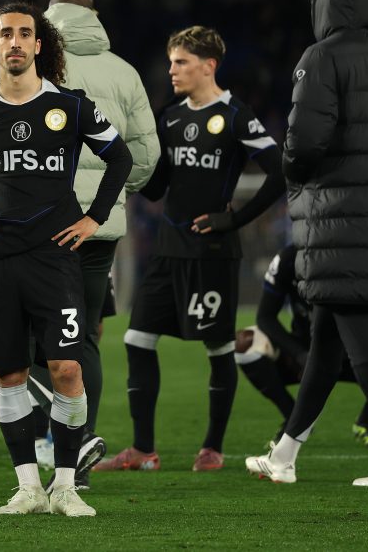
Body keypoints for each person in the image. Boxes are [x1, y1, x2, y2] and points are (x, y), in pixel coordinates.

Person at [0, 2, 132, 517]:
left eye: (24, 34)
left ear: (40, 45)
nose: (15, 42)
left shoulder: (71, 106)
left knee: (65, 370)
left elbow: (119, 156)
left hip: (54, 258)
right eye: (5, 35)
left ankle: (64, 487)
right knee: (9, 374)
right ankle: (28, 488)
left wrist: (93, 217)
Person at [245, 0, 368, 487]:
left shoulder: (320, 58)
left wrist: (291, 170)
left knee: (359, 339)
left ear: (324, 5)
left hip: (335, 221)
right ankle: (284, 457)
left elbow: (304, 143)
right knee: (328, 340)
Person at [94, 25, 285, 473]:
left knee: (217, 349)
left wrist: (233, 218)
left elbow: (279, 172)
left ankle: (212, 448)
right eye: (171, 62)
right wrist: (128, 159)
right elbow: (158, 188)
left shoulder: (236, 115)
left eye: (180, 62)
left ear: (208, 66)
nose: (172, 70)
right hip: (167, 250)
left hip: (211, 255)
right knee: (137, 340)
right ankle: (143, 451)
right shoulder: (170, 117)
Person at [26, 0, 160, 489]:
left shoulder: (36, 64)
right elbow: (145, 155)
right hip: (99, 229)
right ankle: (79, 443)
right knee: (80, 338)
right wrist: (115, 194)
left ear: (48, 15)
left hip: (40, 224)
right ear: (94, 16)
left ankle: (57, 438)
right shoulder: (123, 72)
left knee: (26, 333)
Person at [235, 245, 368, 447]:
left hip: (351, 356)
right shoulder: (288, 258)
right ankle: (293, 419)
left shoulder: (357, 260)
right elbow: (265, 317)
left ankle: (367, 421)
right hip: (305, 355)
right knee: (244, 342)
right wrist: (300, 354)